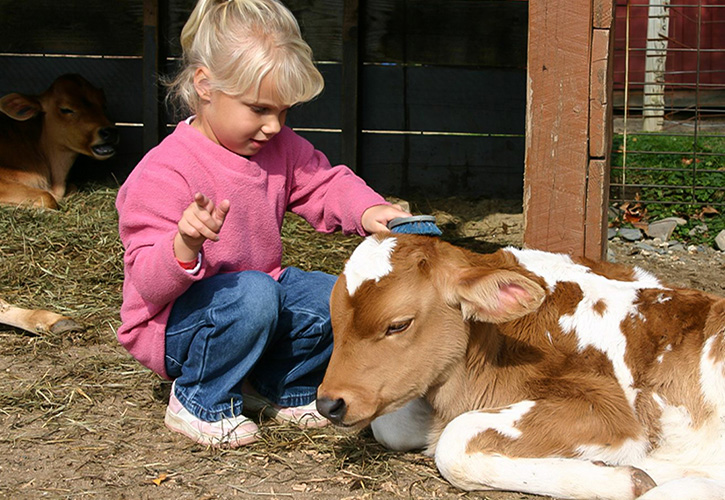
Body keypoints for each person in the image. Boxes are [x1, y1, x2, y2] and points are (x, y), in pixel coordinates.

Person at [115, 0, 410, 448]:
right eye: (259, 109)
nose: (274, 126)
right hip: (175, 325)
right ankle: (199, 399)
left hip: (257, 301)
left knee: (338, 298)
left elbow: (324, 185)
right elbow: (147, 283)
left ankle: (278, 386)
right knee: (254, 295)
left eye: (284, 112)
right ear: (206, 86)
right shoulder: (164, 172)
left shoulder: (278, 148)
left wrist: (370, 211)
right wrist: (184, 245)